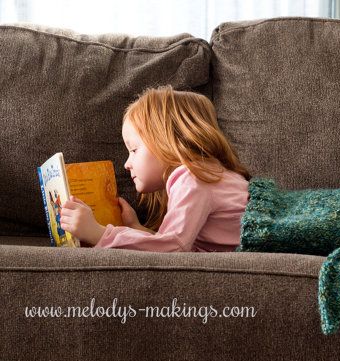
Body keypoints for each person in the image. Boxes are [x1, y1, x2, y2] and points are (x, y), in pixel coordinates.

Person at [60, 85, 251, 252]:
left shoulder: (194, 180)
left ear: (167, 142)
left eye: (134, 150)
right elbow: (175, 243)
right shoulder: (208, 174)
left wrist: (98, 233)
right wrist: (135, 227)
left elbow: (173, 248)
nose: (126, 164)